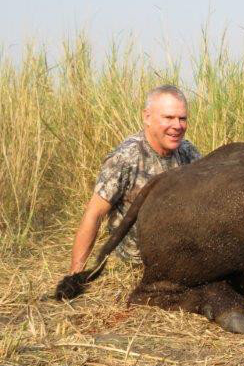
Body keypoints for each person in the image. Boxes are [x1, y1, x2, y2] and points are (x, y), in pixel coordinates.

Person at [67, 85, 202, 274]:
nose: (177, 126)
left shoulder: (188, 152)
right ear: (147, 117)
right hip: (134, 264)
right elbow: (94, 214)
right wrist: (75, 274)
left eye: (182, 118)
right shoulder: (126, 158)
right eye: (169, 118)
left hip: (176, 256)